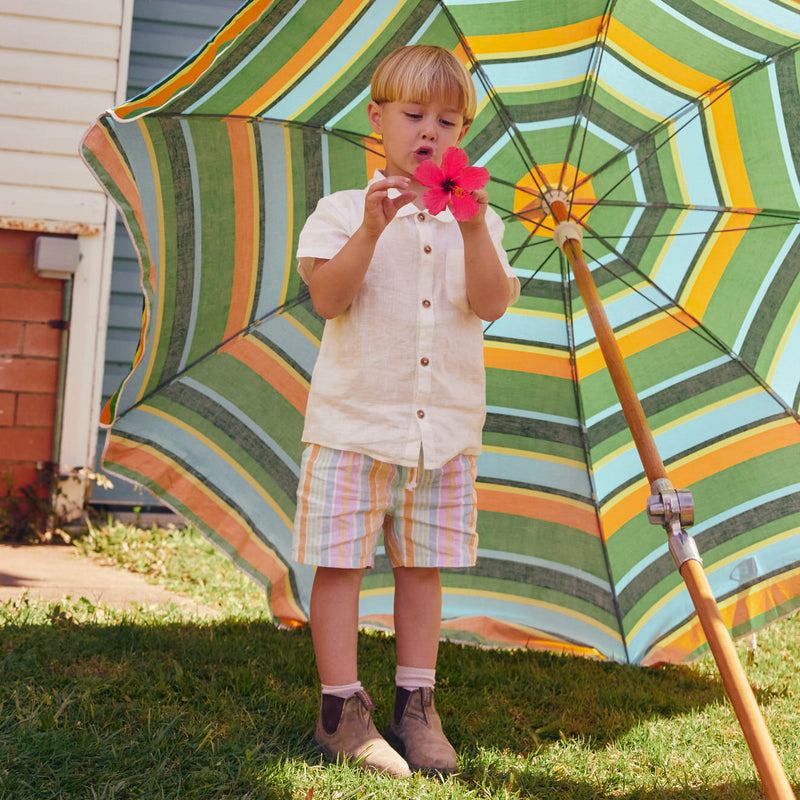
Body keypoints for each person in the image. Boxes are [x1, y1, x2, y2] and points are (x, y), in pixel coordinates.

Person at [292, 44, 520, 778]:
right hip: (355, 426)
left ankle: (417, 707)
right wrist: (369, 228)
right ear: (377, 120)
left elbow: (490, 304)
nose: (431, 131)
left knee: (424, 568)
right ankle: (341, 710)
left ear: (462, 135)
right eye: (414, 114)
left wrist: (479, 229)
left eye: (448, 121)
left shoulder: (475, 223)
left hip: (443, 434)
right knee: (343, 564)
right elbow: (329, 299)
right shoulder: (337, 213)